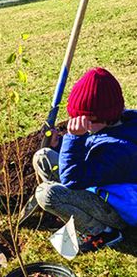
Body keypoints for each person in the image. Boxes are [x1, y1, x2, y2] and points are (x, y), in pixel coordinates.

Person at [33, 68, 137, 252]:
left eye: (82, 120)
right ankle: (73, 213)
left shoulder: (118, 151)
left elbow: (72, 178)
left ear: (98, 118)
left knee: (46, 194)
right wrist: (61, 144)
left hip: (118, 209)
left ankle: (103, 232)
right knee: (43, 157)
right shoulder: (115, 123)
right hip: (101, 186)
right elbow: (88, 150)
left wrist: (74, 138)